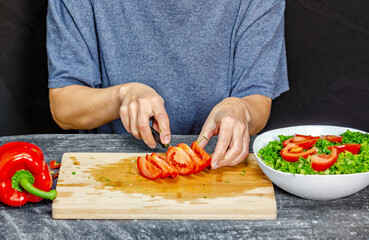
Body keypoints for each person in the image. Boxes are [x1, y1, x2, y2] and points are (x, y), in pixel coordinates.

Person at [47, 0, 289, 169]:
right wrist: (122, 96)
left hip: (220, 169)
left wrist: (240, 110)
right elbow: (63, 107)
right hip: (108, 170)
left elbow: (257, 99)